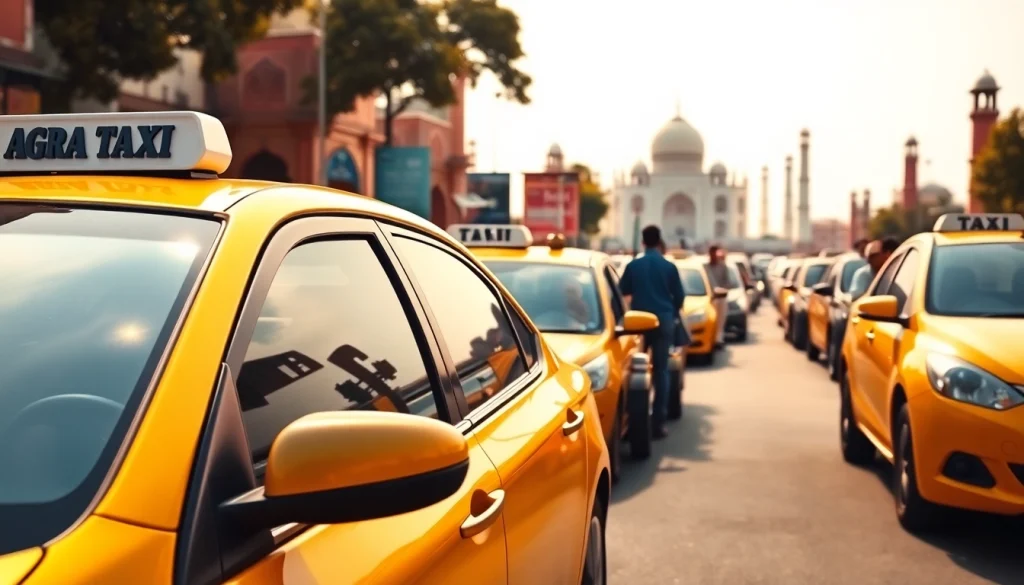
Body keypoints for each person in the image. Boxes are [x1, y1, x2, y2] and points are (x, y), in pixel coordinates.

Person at [619, 225, 686, 438]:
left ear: (643, 241)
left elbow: (623, 291)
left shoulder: (634, 265)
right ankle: (658, 422)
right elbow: (680, 297)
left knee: (635, 371)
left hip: (638, 322)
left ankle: (634, 421)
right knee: (661, 371)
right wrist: (669, 311)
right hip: (664, 321)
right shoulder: (669, 267)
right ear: (659, 242)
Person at [705, 245, 730, 349]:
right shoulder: (704, 267)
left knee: (720, 319)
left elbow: (727, 283)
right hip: (707, 298)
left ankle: (718, 339)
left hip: (720, 297)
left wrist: (721, 290)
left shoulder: (723, 267)